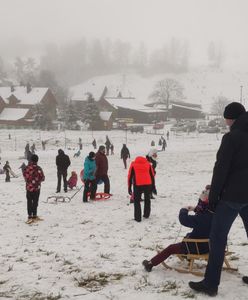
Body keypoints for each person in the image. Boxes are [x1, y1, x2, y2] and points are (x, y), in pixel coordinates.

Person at [189, 102, 248, 297]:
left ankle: (211, 284)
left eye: (226, 118)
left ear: (232, 118)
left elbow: (221, 169)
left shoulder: (231, 138)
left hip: (231, 196)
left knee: (217, 238)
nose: (225, 121)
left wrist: (213, 197)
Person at [143, 186, 213, 272]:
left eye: (200, 202)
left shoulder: (202, 218)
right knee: (187, 237)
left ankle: (150, 264)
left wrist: (184, 209)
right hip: (212, 245)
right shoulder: (216, 213)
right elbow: (203, 211)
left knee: (171, 248)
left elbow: (184, 220)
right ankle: (187, 257)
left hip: (199, 247)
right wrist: (195, 209)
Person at [128, 156, 155, 222]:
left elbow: (129, 176)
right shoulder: (148, 164)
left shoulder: (133, 164)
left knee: (137, 201)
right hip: (148, 183)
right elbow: (152, 175)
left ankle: (138, 218)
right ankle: (146, 214)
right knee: (147, 199)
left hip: (137, 184)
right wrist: (153, 186)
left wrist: (129, 187)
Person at [23, 154, 45, 224]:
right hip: (36, 188)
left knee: (29, 202)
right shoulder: (39, 168)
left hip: (29, 188)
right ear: (37, 160)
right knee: (35, 202)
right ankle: (34, 215)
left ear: (31, 160)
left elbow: (24, 176)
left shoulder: (27, 168)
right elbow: (43, 178)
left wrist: (29, 180)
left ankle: (30, 216)